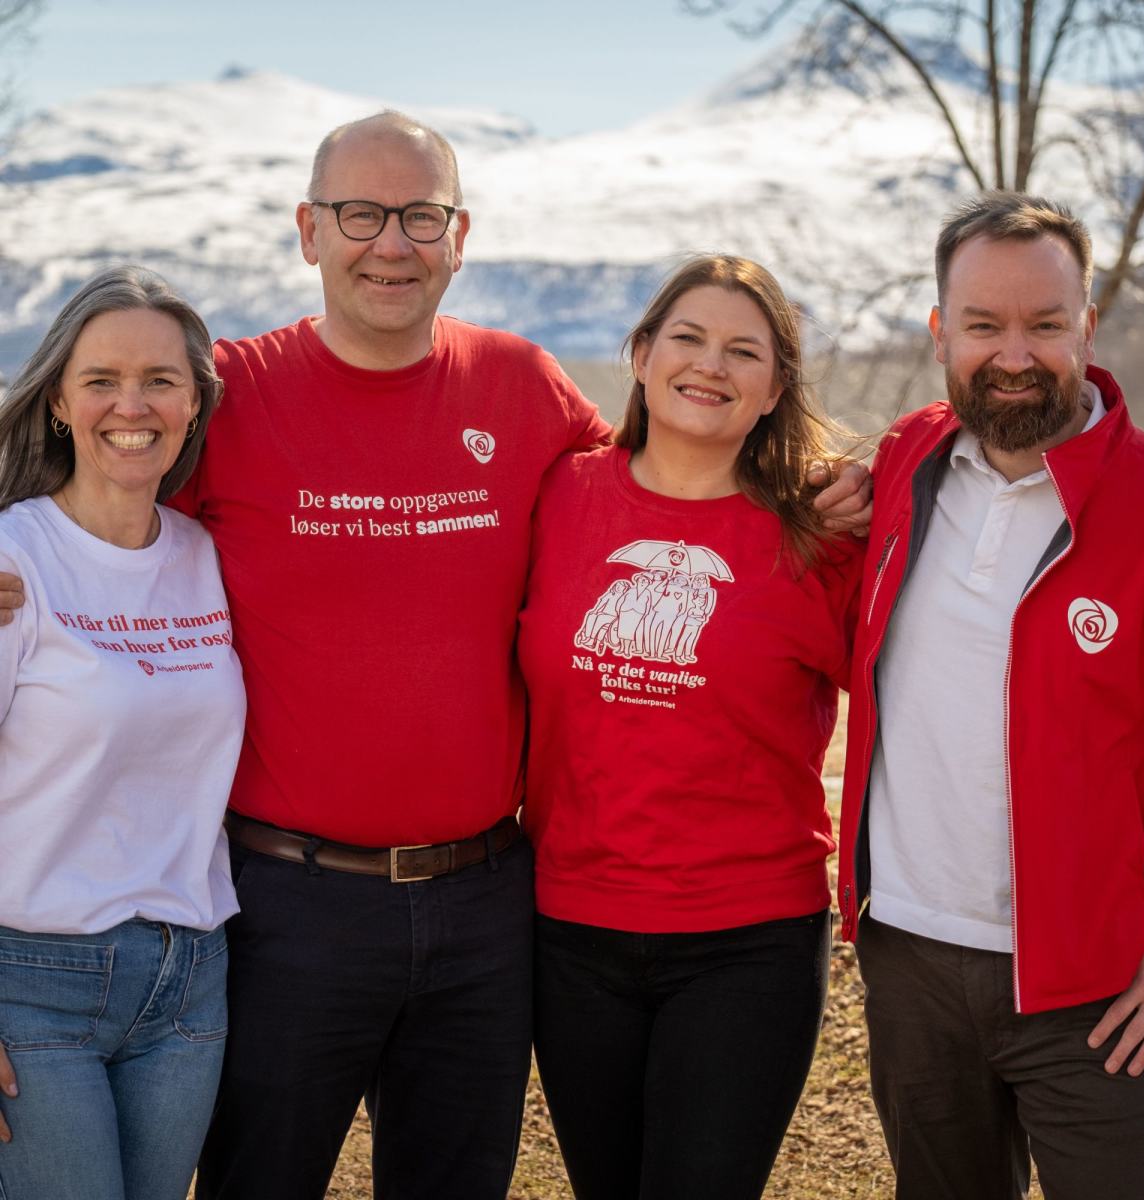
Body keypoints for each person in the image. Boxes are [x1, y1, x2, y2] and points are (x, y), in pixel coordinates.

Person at [0, 114, 873, 1200]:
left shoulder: (524, 389)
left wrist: (817, 490)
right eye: (360, 215)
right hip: (286, 902)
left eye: (421, 216)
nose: (391, 244)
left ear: (459, 236)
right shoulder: (230, 393)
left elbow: (672, 482)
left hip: (486, 905)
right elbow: (93, 459)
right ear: (309, 229)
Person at [837, 192, 1144, 1200]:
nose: (1014, 355)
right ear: (939, 330)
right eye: (983, 325)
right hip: (908, 956)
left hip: (1101, 985)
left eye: (1045, 325)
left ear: (1087, 325)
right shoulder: (907, 462)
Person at [518, 255, 864, 1199]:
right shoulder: (558, 497)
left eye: (744, 351)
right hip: (569, 927)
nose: (711, 365)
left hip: (748, 937)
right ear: (639, 354)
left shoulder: (821, 535)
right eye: (688, 338)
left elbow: (932, 672)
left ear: (774, 388)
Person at [0, 267, 245, 1200]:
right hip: (32, 978)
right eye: (101, 380)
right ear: (60, 400)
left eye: (160, 381)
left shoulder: (205, 558)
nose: (130, 406)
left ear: (194, 403)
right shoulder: (15, 560)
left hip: (190, 980)